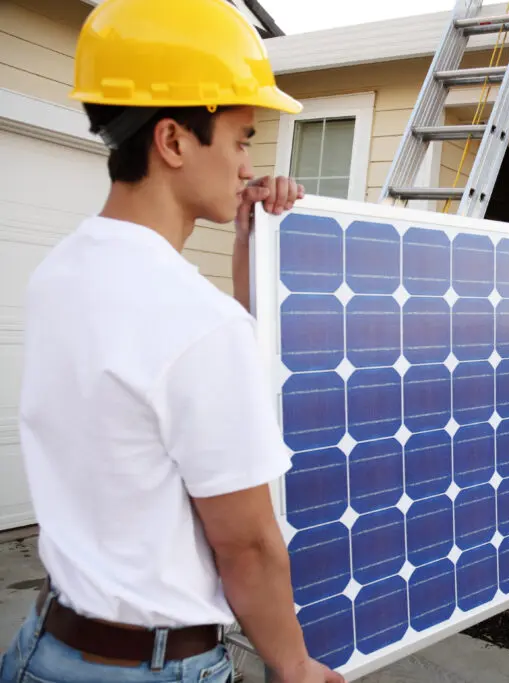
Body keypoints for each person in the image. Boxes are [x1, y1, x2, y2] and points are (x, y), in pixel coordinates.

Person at [0, 1, 343, 682]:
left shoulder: (58, 275)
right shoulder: (196, 321)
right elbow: (246, 544)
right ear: (174, 141)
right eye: (243, 138)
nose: (250, 164)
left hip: (45, 645)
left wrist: (251, 241)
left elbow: (186, 381)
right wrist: (295, 665)